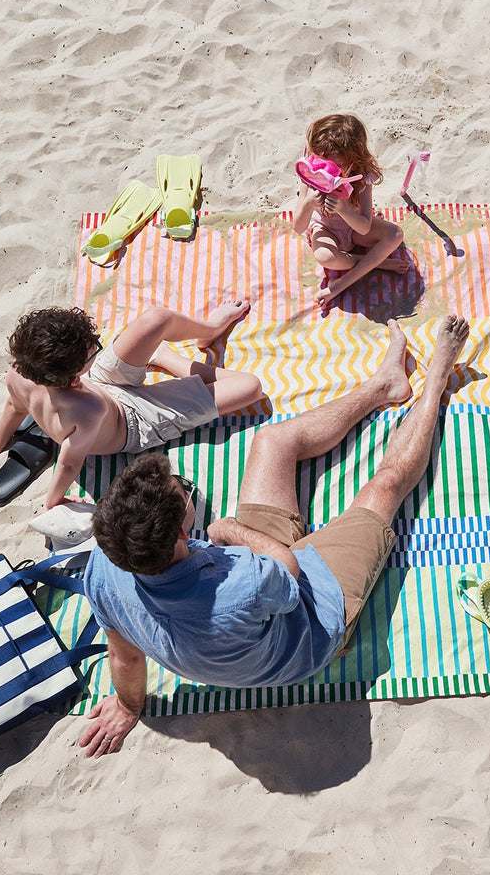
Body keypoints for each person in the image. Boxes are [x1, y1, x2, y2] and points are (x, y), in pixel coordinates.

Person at [78, 315, 470, 757]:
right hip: (313, 617)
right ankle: (437, 381)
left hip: (239, 585)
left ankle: (384, 387)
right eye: (183, 491)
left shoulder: (104, 567)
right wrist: (230, 531)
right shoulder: (240, 585)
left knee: (272, 441)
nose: (185, 487)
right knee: (384, 486)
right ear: (182, 534)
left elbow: (126, 656)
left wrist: (129, 705)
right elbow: (286, 565)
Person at [0, 302, 262, 508]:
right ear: (76, 373)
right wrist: (54, 501)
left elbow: (15, 404)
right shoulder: (88, 411)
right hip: (134, 421)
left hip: (98, 383)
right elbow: (68, 462)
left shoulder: (20, 372)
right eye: (95, 350)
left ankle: (208, 330)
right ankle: (168, 358)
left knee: (157, 318)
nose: (98, 347)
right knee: (250, 387)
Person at [291, 113, 407, 307]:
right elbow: (298, 227)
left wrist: (344, 209)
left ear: (353, 159)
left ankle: (340, 285)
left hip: (354, 230)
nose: (326, 170)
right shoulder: (312, 174)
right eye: (322, 161)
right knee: (325, 257)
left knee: (396, 234)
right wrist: (309, 203)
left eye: (336, 165)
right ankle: (376, 262)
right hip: (325, 227)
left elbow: (363, 227)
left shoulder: (363, 177)